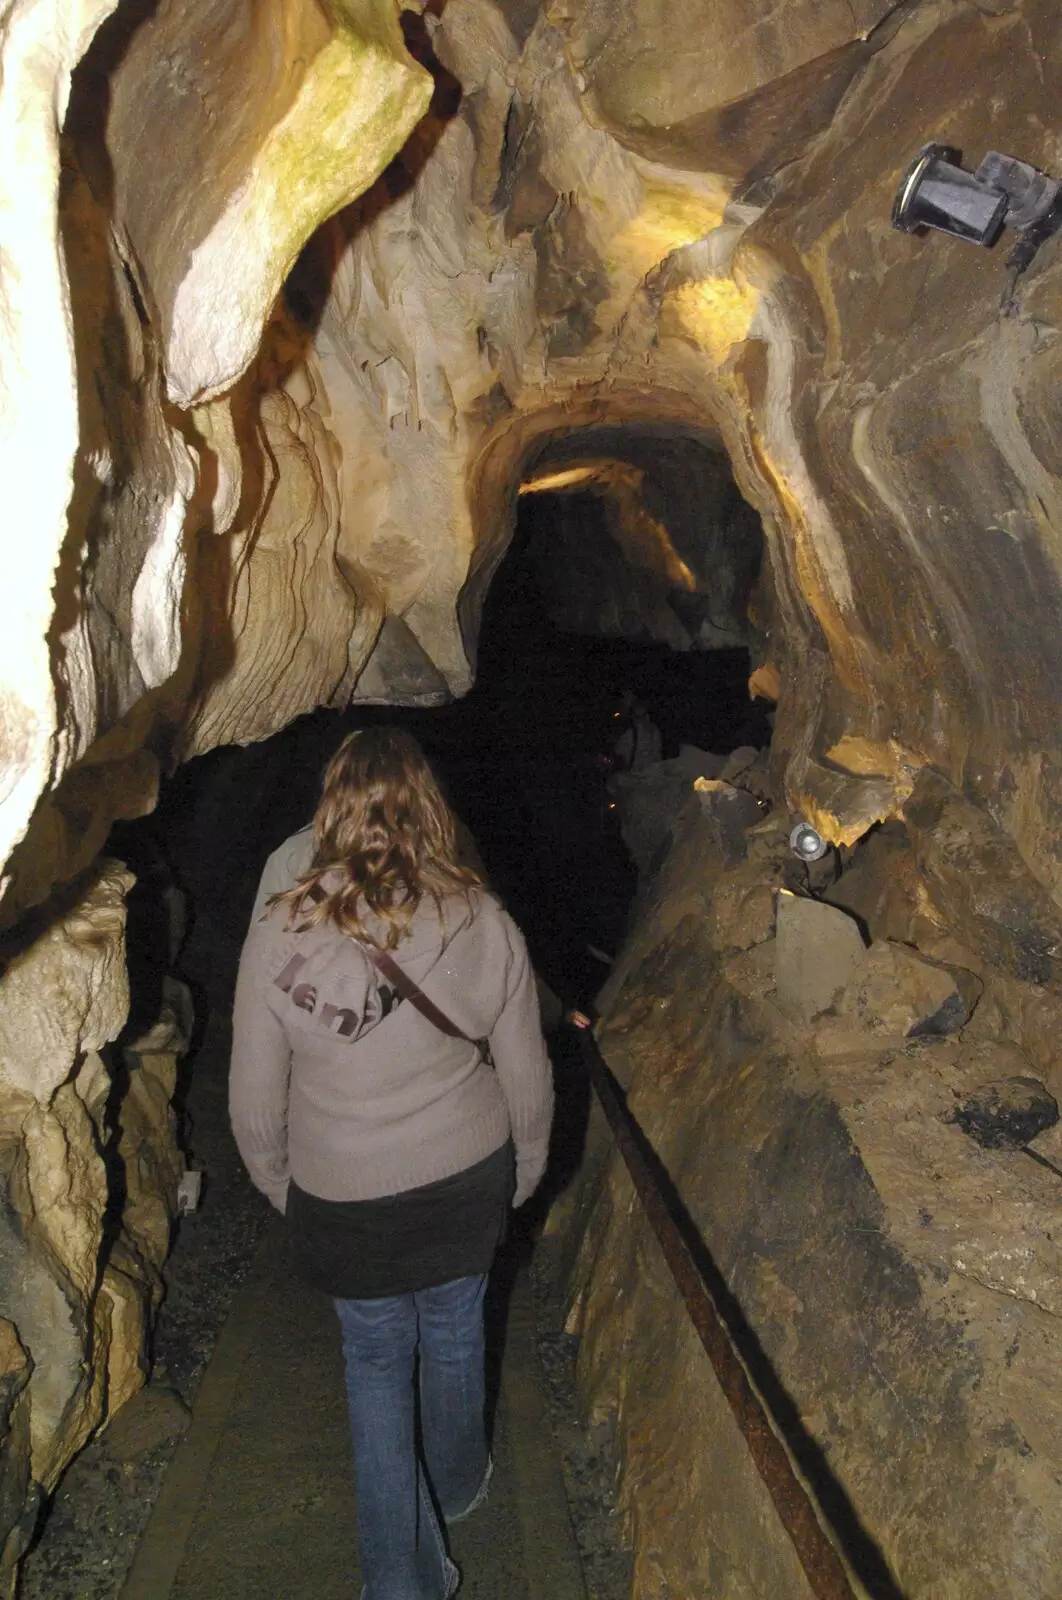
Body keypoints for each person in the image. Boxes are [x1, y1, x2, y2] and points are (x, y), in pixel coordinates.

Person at [229, 727, 555, 1600]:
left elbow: (254, 1098)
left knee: (375, 1365)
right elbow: (527, 1074)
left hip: (341, 1194)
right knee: (453, 1332)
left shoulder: (279, 929)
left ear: (329, 811)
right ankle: (458, 1487)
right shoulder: (484, 920)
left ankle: (399, 1584)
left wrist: (285, 1188)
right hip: (464, 1178)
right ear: (430, 808)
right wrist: (523, 1172)